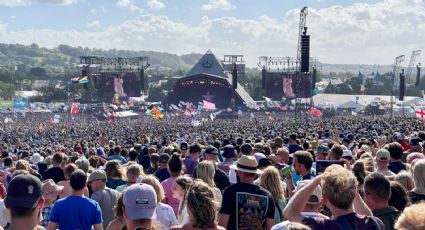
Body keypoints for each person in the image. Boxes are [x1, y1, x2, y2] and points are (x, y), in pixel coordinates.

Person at [284, 165, 384, 229]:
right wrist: (350, 185)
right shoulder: (375, 223)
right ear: (354, 194)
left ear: (325, 199)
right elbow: (368, 215)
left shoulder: (324, 226)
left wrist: (315, 181)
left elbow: (289, 213)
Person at [219, 155, 275, 230]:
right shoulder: (267, 195)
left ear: (239, 172)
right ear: (254, 173)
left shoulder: (230, 191)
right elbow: (270, 227)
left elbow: (223, 224)